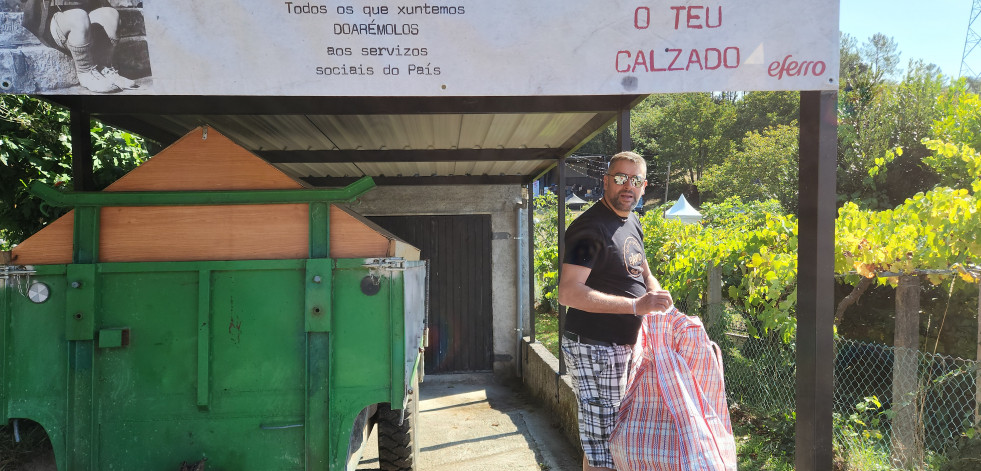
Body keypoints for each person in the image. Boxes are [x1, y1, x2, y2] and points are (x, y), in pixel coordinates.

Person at [557, 151, 673, 471]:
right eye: (620, 178)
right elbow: (568, 292)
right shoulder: (588, 229)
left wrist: (656, 293)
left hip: (623, 348)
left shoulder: (631, 219)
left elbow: (642, 270)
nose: (628, 186)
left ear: (644, 186)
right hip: (595, 348)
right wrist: (637, 306)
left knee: (606, 439)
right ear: (605, 181)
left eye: (635, 180)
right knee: (605, 445)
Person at [22, 0, 137, 93]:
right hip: (55, 17)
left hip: (87, 13)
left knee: (110, 14)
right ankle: (85, 72)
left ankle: (105, 68)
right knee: (78, 16)